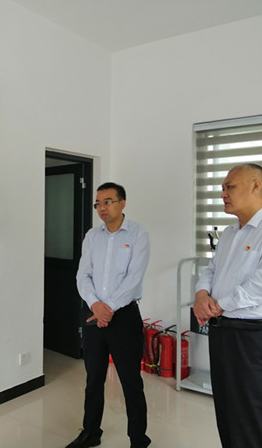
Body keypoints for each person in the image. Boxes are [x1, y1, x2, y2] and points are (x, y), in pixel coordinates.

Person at [193, 164, 262, 448]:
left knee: (256, 420)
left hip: (257, 339)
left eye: (230, 186)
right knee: (229, 416)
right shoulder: (230, 233)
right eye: (222, 188)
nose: (223, 194)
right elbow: (211, 270)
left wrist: (217, 305)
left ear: (255, 186)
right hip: (223, 335)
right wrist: (202, 295)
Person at [67, 182, 151, 448]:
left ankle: (138, 438)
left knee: (130, 380)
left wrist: (109, 308)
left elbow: (134, 278)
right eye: (98, 204)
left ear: (122, 203)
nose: (102, 208)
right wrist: (96, 305)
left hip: (124, 316)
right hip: (94, 314)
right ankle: (91, 432)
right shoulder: (92, 236)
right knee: (93, 378)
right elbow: (83, 275)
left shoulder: (138, 235)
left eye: (108, 202)